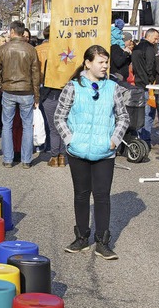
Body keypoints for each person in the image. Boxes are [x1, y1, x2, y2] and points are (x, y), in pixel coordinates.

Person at [53, 45, 130, 259]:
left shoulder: (113, 88)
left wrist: (114, 140)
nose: (105, 66)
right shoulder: (73, 87)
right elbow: (59, 116)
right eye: (101, 62)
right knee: (81, 194)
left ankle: (103, 242)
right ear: (88, 63)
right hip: (78, 152)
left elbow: (123, 117)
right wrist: (70, 139)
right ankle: (81, 238)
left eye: (106, 62)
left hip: (105, 152)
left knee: (102, 196)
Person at [0, 21, 41, 168]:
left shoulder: (3, 49)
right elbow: (36, 75)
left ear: (12, 31)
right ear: (21, 32)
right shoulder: (31, 49)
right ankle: (26, 160)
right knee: (27, 126)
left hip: (8, 90)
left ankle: (8, 159)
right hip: (27, 91)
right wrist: (36, 95)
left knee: (7, 125)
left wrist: (2, 85)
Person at [38, 25, 67, 167]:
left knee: (53, 128)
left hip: (49, 95)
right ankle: (62, 157)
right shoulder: (65, 56)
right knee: (63, 126)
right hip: (63, 95)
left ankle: (55, 156)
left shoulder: (41, 51)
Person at [132, 28, 159, 147]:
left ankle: (138, 136)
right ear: (149, 36)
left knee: (140, 112)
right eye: (155, 38)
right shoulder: (149, 48)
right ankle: (145, 140)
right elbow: (150, 66)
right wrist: (151, 79)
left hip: (137, 82)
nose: (156, 41)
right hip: (146, 84)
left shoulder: (136, 47)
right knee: (148, 114)